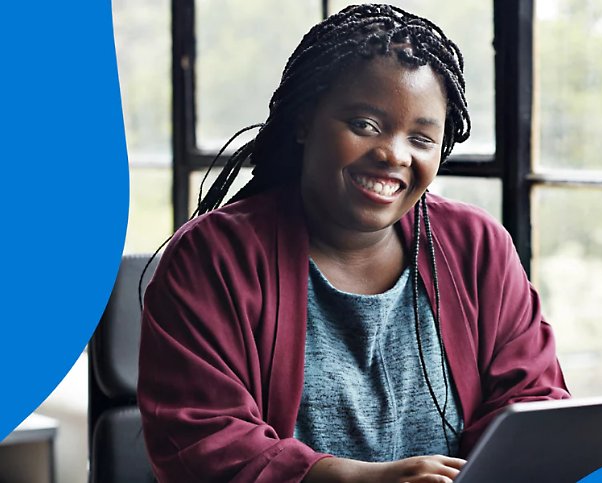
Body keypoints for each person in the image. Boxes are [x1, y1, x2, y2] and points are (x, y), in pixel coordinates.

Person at [138, 4, 569, 482]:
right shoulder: (213, 258)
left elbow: (532, 406)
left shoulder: (477, 247)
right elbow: (201, 442)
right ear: (304, 121)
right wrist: (361, 479)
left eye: (421, 138)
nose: (393, 154)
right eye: (365, 125)